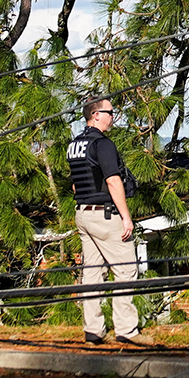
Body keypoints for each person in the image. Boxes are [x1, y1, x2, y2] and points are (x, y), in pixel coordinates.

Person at [67, 95, 147, 344]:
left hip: (82, 214)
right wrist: (126, 217)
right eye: (111, 112)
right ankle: (126, 331)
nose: (114, 117)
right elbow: (113, 181)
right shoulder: (102, 144)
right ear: (96, 114)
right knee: (125, 271)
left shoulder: (75, 145)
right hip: (104, 214)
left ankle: (93, 330)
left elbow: (74, 185)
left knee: (92, 274)